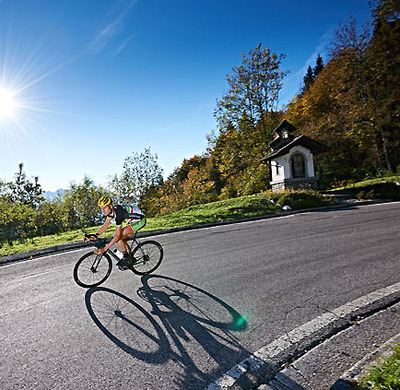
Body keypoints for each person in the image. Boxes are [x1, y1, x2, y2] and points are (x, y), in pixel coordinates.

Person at [93, 196, 146, 270]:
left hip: (139, 220)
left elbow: (117, 236)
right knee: (120, 237)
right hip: (131, 220)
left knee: (119, 237)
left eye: (104, 208)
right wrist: (95, 235)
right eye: (101, 209)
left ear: (110, 206)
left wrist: (104, 249)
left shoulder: (118, 213)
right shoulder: (112, 211)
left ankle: (127, 258)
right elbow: (106, 225)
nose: (103, 211)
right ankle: (130, 257)